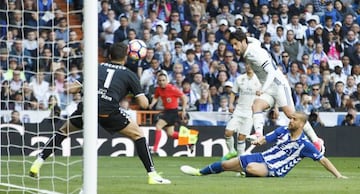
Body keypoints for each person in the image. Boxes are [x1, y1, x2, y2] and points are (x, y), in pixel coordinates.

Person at [29, 42, 171, 184]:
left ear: (109, 56)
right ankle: (152, 175)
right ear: (126, 58)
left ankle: (38, 162)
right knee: (138, 135)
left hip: (88, 108)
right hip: (109, 112)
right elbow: (143, 104)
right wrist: (134, 92)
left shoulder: (96, 68)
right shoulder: (130, 75)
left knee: (63, 131)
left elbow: (72, 89)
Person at [228, 30, 324, 153]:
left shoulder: (254, 54)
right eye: (232, 45)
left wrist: (262, 89)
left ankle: (316, 140)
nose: (234, 47)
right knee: (256, 105)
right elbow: (256, 40)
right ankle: (258, 134)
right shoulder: (251, 45)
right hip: (269, 86)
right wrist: (245, 37)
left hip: (278, 86)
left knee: (292, 115)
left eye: (236, 44)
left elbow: (272, 72)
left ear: (242, 42)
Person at [180, 112, 348, 179]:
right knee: (225, 164)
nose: (290, 120)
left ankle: (243, 171)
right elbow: (266, 138)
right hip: (262, 157)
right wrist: (258, 141)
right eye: (291, 118)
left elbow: (323, 160)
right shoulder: (282, 130)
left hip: (275, 168)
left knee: (251, 167)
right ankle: (199, 172)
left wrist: (338, 176)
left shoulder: (305, 144)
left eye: (294, 119)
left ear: (302, 124)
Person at [222, 64, 261, 161]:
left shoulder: (259, 80)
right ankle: (231, 151)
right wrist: (230, 104)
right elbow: (233, 93)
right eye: (247, 64)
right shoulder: (240, 79)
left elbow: (265, 94)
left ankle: (239, 161)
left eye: (250, 64)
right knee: (228, 132)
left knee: (241, 137)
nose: (249, 66)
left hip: (250, 112)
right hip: (239, 110)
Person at [149, 70, 188, 154]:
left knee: (158, 126)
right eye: (160, 80)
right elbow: (156, 97)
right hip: (167, 111)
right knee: (171, 133)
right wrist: (152, 104)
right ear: (157, 81)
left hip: (172, 112)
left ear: (167, 81)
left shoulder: (172, 88)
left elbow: (184, 97)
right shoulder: (158, 89)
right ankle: (189, 139)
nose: (162, 82)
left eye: (163, 80)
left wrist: (183, 109)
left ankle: (155, 149)